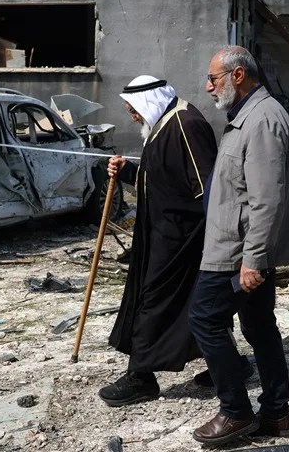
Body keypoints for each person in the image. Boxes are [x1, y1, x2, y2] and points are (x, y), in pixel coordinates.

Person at [189, 46, 289, 445]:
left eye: (213, 78)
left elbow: (267, 199)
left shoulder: (262, 120)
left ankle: (236, 413)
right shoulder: (247, 116)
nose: (208, 86)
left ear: (237, 75)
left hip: (237, 252)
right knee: (259, 326)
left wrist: (253, 260)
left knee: (205, 317)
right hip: (239, 247)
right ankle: (276, 414)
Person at [98, 75, 218, 407]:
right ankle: (227, 365)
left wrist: (211, 238)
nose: (132, 115)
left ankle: (141, 376)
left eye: (133, 109)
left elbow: (207, 187)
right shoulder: (165, 124)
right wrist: (125, 171)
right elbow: (162, 178)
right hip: (162, 234)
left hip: (182, 237)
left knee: (154, 301)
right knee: (193, 304)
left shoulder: (186, 124)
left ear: (148, 102)